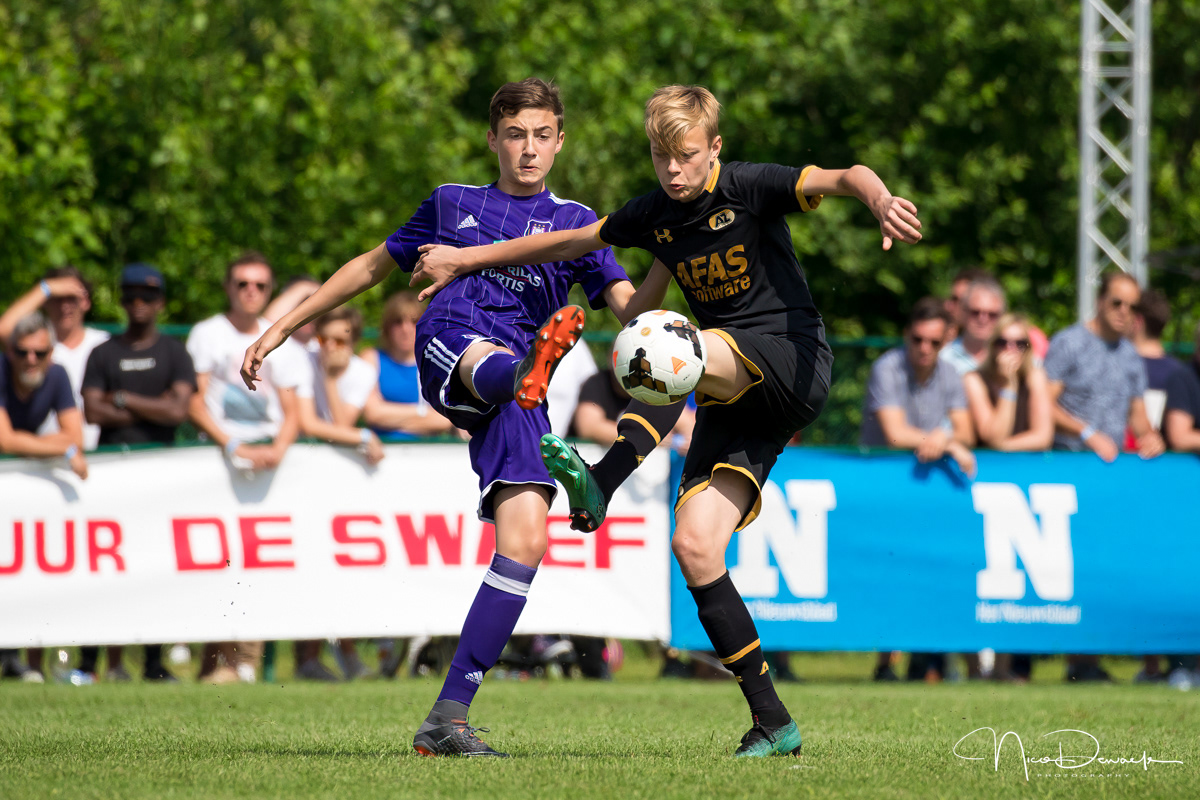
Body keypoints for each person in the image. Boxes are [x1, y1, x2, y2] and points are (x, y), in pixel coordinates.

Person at [411, 84, 921, 757]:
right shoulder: (656, 214)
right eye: (661, 159)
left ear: (713, 148)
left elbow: (846, 174)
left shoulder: (747, 186)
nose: (673, 171)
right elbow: (569, 245)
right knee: (697, 543)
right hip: (734, 394)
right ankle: (773, 720)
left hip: (789, 356)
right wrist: (469, 259)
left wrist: (880, 199)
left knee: (672, 347)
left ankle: (604, 481)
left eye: (685, 156)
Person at [240, 78, 663, 756]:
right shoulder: (452, 204)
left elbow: (630, 313)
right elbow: (372, 267)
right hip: (454, 343)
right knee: (491, 356)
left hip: (521, 392)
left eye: (542, 135)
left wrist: (667, 264)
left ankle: (447, 719)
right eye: (516, 134)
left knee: (525, 541)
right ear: (493, 138)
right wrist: (283, 326)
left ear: (559, 141)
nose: (529, 148)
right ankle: (520, 371)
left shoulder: (578, 223)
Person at [188, 251, 311, 684]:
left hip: (271, 460)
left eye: (259, 285)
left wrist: (276, 449)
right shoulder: (207, 334)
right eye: (242, 283)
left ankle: (246, 664)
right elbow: (195, 399)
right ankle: (215, 663)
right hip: (221, 456)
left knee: (262, 563)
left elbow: (294, 410)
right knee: (216, 560)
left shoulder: (285, 340)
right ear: (228, 287)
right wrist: (234, 444)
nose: (251, 292)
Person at [79, 263, 197, 683]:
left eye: (147, 297)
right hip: (110, 469)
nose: (138, 305)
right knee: (101, 568)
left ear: (160, 302)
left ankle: (152, 660)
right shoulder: (104, 352)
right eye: (130, 297)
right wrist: (153, 401)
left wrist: (125, 398)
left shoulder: (173, 352)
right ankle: (88, 662)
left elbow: (178, 410)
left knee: (154, 567)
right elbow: (92, 410)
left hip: (158, 473)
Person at [0, 312, 89, 683]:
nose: (31, 360)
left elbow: (77, 437)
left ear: (51, 353)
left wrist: (61, 447)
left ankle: (17, 658)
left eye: (39, 352)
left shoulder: (57, 376)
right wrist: (60, 450)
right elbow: (4, 439)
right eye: (23, 352)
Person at [1044, 271, 1164, 463]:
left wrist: (1151, 438)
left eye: (1132, 307)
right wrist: (1086, 433)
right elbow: (1042, 404)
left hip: (1110, 466)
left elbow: (1138, 416)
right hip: (1065, 462)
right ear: (1100, 301)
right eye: (1117, 303)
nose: (1124, 311)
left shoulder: (1132, 356)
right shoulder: (1069, 343)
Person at [859, 298, 976, 474]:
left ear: (945, 341)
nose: (925, 348)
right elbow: (896, 437)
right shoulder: (887, 368)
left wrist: (944, 437)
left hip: (925, 469)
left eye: (934, 342)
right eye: (917, 339)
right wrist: (946, 442)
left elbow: (967, 434)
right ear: (906, 334)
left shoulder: (950, 372)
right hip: (879, 468)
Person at [0, 267, 110, 450]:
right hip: (45, 455)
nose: (65, 306)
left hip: (99, 454)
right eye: (57, 298)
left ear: (85, 301)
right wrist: (45, 288)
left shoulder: (104, 345)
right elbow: (4, 329)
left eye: (72, 298)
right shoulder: (33, 346)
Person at [359, 292, 454, 441]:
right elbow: (373, 414)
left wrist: (389, 419)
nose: (405, 329)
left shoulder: (437, 362)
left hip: (428, 453)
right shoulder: (371, 358)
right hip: (380, 451)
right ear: (387, 327)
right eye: (398, 322)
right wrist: (424, 414)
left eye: (414, 321)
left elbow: (444, 421)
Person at [296, 306, 385, 465]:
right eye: (323, 339)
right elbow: (308, 424)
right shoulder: (303, 360)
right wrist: (364, 436)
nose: (329, 347)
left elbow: (342, 427)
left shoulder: (364, 372)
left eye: (339, 341)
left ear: (354, 343)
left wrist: (331, 378)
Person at [962, 313, 1054, 451]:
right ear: (992, 346)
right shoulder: (974, 379)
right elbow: (993, 437)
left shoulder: (1035, 376)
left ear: (1027, 349)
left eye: (1020, 344)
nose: (1011, 349)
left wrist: (1003, 446)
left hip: (1023, 464)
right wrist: (1009, 386)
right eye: (1003, 343)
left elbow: (1043, 437)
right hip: (986, 466)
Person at [940, 277, 1006, 376]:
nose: (983, 319)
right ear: (964, 312)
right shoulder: (943, 358)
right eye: (975, 312)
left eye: (991, 314)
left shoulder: (1014, 357)